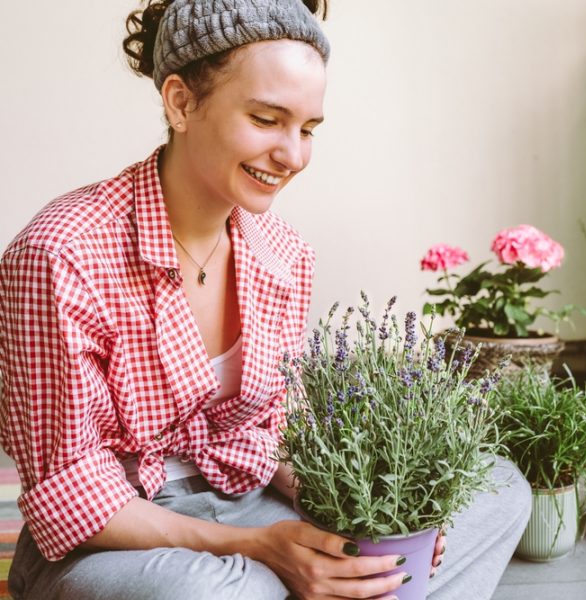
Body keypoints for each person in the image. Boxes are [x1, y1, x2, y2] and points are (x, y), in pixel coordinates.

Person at [0, 1, 531, 598]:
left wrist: (375, 512)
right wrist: (258, 549)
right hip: (118, 538)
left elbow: (277, 433)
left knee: (497, 487)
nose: (294, 156)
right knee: (231, 592)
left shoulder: (282, 252)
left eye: (307, 129)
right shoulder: (61, 254)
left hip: (250, 498)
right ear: (180, 102)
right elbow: (70, 496)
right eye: (265, 119)